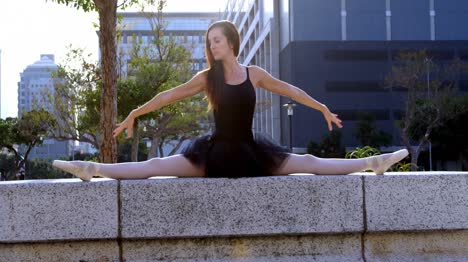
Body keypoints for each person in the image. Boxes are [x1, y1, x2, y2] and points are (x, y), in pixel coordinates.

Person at [53, 20, 408, 181]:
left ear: (232, 42)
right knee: (153, 168)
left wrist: (322, 108)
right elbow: (168, 95)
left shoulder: (254, 73)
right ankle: (93, 169)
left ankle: (373, 163)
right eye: (209, 42)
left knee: (311, 161)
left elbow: (290, 90)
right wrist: (134, 112)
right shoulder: (207, 78)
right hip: (215, 153)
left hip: (252, 152)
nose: (211, 46)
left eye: (216, 40)